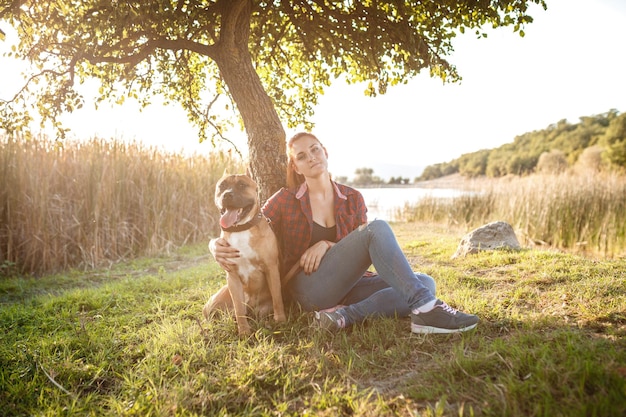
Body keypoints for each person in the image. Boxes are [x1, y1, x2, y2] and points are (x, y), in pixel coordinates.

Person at [210, 132, 479, 333]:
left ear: (325, 152)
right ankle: (426, 309)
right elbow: (252, 223)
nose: (311, 157)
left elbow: (356, 251)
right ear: (296, 167)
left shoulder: (353, 198)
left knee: (425, 282)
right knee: (377, 229)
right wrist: (215, 245)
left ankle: (343, 315)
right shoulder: (284, 200)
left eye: (315, 150)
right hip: (306, 288)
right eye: (301, 156)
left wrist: (327, 244)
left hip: (352, 285)